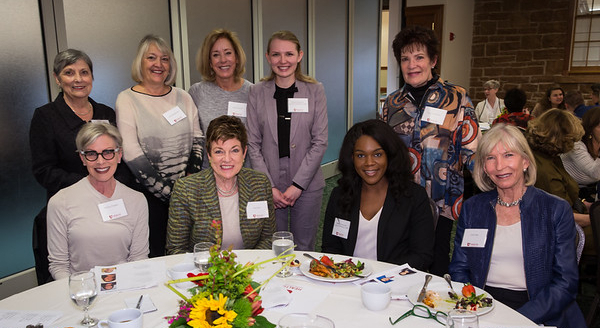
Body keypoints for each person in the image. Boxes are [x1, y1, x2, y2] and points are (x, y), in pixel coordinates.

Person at [449, 123, 585, 327]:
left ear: (525, 161)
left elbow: (565, 284)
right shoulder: (473, 208)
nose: (500, 165)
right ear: (484, 167)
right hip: (483, 304)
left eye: (508, 155)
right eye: (491, 158)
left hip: (538, 308)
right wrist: (475, 306)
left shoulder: (555, 209)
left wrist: (515, 320)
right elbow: (459, 270)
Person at [378, 25, 480, 275]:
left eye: (419, 57)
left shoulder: (457, 98)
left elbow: (471, 149)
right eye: (405, 59)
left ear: (433, 60)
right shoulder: (391, 103)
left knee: (435, 258)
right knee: (398, 255)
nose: (412, 65)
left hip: (441, 195)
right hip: (400, 194)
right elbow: (382, 149)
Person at [29, 49, 131, 284]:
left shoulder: (106, 112)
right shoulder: (45, 117)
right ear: (57, 78)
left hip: (110, 205)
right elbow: (43, 170)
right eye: (69, 73)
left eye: (84, 72)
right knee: (75, 275)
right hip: (70, 209)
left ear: (92, 78)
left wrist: (118, 189)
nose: (78, 79)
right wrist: (89, 186)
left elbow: (119, 158)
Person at [116, 34, 204, 257]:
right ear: (140, 62)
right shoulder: (127, 99)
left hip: (188, 193)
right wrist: (168, 192)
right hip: (149, 198)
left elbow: (197, 137)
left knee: (189, 254)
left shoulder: (183, 96)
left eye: (164, 59)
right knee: (155, 256)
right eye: (151, 58)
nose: (158, 64)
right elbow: (131, 152)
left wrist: (186, 186)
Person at [247, 30, 328, 251]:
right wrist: (268, 186)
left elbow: (320, 141)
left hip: (307, 180)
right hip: (270, 178)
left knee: (304, 245)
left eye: (289, 54)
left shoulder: (315, 91)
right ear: (267, 57)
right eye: (276, 54)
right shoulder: (256, 92)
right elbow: (252, 143)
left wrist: (298, 184)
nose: (283, 61)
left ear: (299, 56)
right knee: (276, 245)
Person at [321, 120, 434, 270]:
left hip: (394, 283)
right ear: (351, 158)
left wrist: (379, 275)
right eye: (361, 156)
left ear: (390, 155)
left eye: (377, 154)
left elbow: (422, 256)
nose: (369, 163)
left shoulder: (414, 197)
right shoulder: (340, 195)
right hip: (347, 280)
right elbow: (330, 248)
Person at [47, 123, 149, 280]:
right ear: (82, 158)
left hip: (125, 286)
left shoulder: (137, 200)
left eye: (108, 152)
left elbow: (139, 258)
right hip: (82, 290)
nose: (100, 161)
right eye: (92, 154)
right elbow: (59, 265)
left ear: (119, 154)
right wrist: (79, 292)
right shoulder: (60, 202)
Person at [166, 115, 275, 253]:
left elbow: (268, 239)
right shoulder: (186, 189)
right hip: (204, 270)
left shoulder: (259, 184)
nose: (227, 159)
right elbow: (175, 249)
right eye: (219, 151)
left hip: (249, 268)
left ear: (244, 153)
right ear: (209, 155)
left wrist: (245, 267)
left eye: (235, 150)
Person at [188, 29, 252, 169]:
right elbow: (193, 140)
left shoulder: (253, 93)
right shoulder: (197, 92)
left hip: (245, 177)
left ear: (237, 57)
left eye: (228, 53)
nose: (223, 60)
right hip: (207, 177)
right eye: (216, 55)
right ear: (210, 62)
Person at [526, 109, 589, 228]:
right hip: (564, 229)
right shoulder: (544, 170)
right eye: (571, 140)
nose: (573, 144)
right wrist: (593, 219)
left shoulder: (549, 157)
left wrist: (585, 205)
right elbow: (560, 214)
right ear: (561, 139)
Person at [561, 106, 600, 202]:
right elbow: (595, 173)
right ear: (591, 128)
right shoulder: (577, 145)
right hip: (568, 193)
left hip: (590, 191)